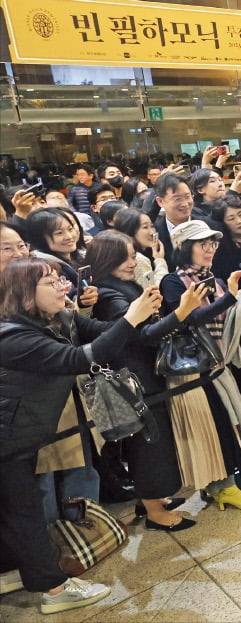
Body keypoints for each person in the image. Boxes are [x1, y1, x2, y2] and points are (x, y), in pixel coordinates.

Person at [0, 256, 160, 614]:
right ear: (25, 293)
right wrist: (132, 316)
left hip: (18, 438)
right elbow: (81, 359)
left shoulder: (56, 319)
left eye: (61, 279)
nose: (63, 287)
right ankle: (54, 591)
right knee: (23, 511)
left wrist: (139, 314)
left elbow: (103, 333)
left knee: (14, 510)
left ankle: (16, 572)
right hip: (8, 440)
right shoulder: (12, 336)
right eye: (51, 282)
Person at [86, 231, 202, 530]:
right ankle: (155, 511)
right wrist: (181, 312)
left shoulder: (118, 286)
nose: (131, 260)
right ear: (106, 258)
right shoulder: (110, 294)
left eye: (132, 253)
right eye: (124, 256)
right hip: (136, 377)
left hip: (140, 373)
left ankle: (149, 499)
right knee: (149, 442)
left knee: (150, 440)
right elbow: (141, 337)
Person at [161, 221, 241, 509]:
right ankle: (222, 488)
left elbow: (233, 318)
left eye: (212, 244)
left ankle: (222, 487)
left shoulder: (215, 281)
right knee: (212, 432)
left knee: (226, 427)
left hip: (218, 364)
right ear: (182, 248)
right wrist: (231, 296)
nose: (209, 250)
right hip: (192, 372)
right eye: (202, 244)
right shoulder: (172, 281)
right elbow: (190, 318)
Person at [112, 207, 169, 289]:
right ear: (129, 230)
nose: (152, 232)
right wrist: (160, 260)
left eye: (152, 226)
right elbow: (154, 291)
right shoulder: (138, 259)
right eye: (145, 227)